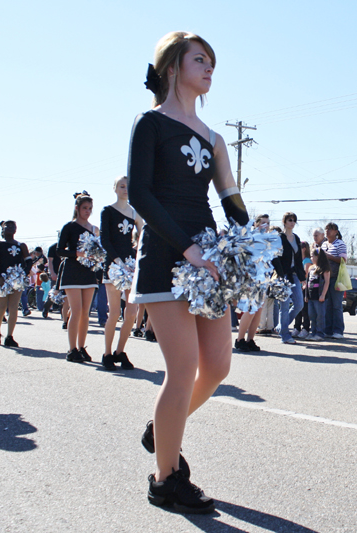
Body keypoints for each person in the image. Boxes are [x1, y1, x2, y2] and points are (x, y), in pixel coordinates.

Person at [128, 31, 250, 513]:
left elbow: (232, 202)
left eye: (212, 62)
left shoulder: (215, 138)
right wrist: (186, 247)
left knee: (217, 366)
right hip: (166, 254)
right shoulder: (150, 124)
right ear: (172, 67)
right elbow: (141, 194)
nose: (209, 68)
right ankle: (165, 478)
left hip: (209, 259)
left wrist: (251, 246)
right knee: (182, 370)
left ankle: (161, 432)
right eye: (200, 60)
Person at [100, 176, 142, 370]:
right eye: (121, 186)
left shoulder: (134, 213)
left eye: (128, 186)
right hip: (114, 266)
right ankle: (107, 353)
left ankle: (120, 351)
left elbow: (143, 235)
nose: (125, 189)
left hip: (131, 265)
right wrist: (118, 261)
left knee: (131, 312)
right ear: (115, 188)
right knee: (114, 311)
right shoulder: (107, 211)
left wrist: (139, 253)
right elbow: (105, 240)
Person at [57, 192, 100, 363]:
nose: (87, 211)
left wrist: (97, 257)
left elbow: (99, 251)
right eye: (84, 208)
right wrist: (77, 253)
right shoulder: (69, 227)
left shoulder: (94, 229)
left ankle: (82, 347)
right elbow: (60, 250)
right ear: (77, 208)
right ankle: (71, 349)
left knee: (85, 312)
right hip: (72, 271)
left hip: (89, 273)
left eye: (90, 208)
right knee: (75, 311)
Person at [0, 220, 31, 348]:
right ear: (2, 229)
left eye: (13, 226)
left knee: (13, 308)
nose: (10, 228)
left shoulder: (21, 245)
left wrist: (22, 275)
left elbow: (28, 262)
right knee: (1, 307)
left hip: (16, 281)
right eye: (7, 226)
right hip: (2, 279)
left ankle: (9, 336)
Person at [235, 214, 269, 352]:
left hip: (263, 278)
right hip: (251, 277)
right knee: (250, 309)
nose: (265, 226)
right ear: (256, 224)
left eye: (267, 223)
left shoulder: (267, 240)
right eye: (262, 223)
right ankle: (240, 339)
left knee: (258, 311)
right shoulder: (251, 238)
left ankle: (250, 339)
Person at [272, 212, 305, 345]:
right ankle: (285, 335)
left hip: (295, 274)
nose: (292, 222)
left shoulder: (296, 238)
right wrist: (280, 274)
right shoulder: (279, 238)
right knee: (284, 306)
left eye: (294, 220)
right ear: (284, 222)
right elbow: (275, 257)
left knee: (299, 304)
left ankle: (282, 326)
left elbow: (298, 260)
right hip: (282, 275)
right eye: (290, 220)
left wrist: (302, 277)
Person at [321, 222, 347, 339]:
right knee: (327, 305)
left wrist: (329, 257)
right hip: (325, 278)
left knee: (336, 305)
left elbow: (343, 260)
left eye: (330, 229)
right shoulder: (323, 244)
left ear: (336, 232)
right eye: (326, 229)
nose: (328, 231)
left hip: (336, 278)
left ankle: (338, 330)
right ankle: (328, 329)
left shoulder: (340, 243)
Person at [305, 247, 330, 341]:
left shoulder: (324, 268)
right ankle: (313, 332)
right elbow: (308, 282)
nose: (311, 258)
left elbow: (327, 282)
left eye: (312, 256)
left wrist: (323, 294)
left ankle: (320, 333)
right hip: (311, 296)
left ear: (318, 257)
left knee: (320, 315)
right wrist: (306, 295)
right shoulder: (311, 268)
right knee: (312, 315)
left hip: (319, 296)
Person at [292, 240, 312, 339]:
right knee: (298, 308)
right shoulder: (298, 260)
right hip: (298, 287)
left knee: (305, 310)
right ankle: (296, 327)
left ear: (304, 248)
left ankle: (305, 328)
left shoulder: (307, 261)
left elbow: (306, 275)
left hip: (304, 288)